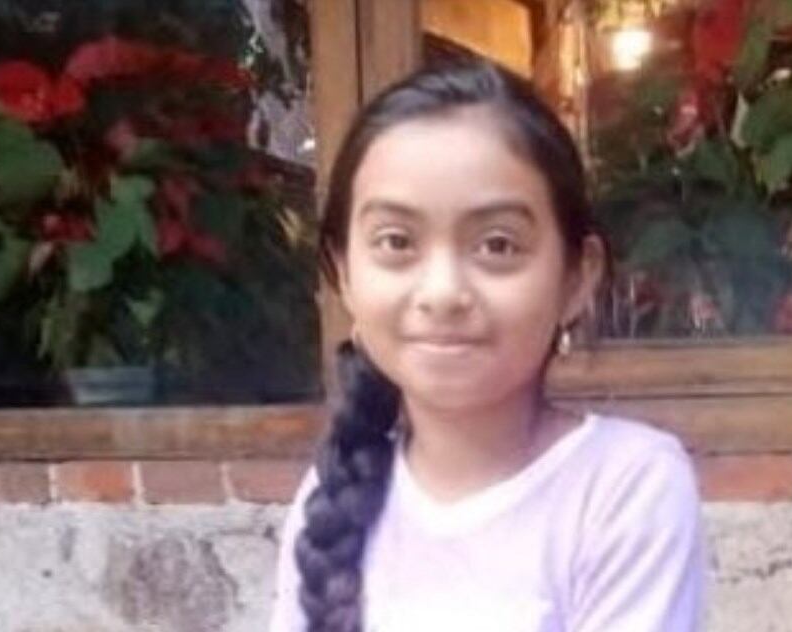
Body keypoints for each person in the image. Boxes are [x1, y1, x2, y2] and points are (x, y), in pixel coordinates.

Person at [269, 61, 705, 632]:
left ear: (577, 277)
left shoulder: (625, 487)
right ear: (344, 274)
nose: (443, 292)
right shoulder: (330, 502)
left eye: (497, 245)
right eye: (396, 242)